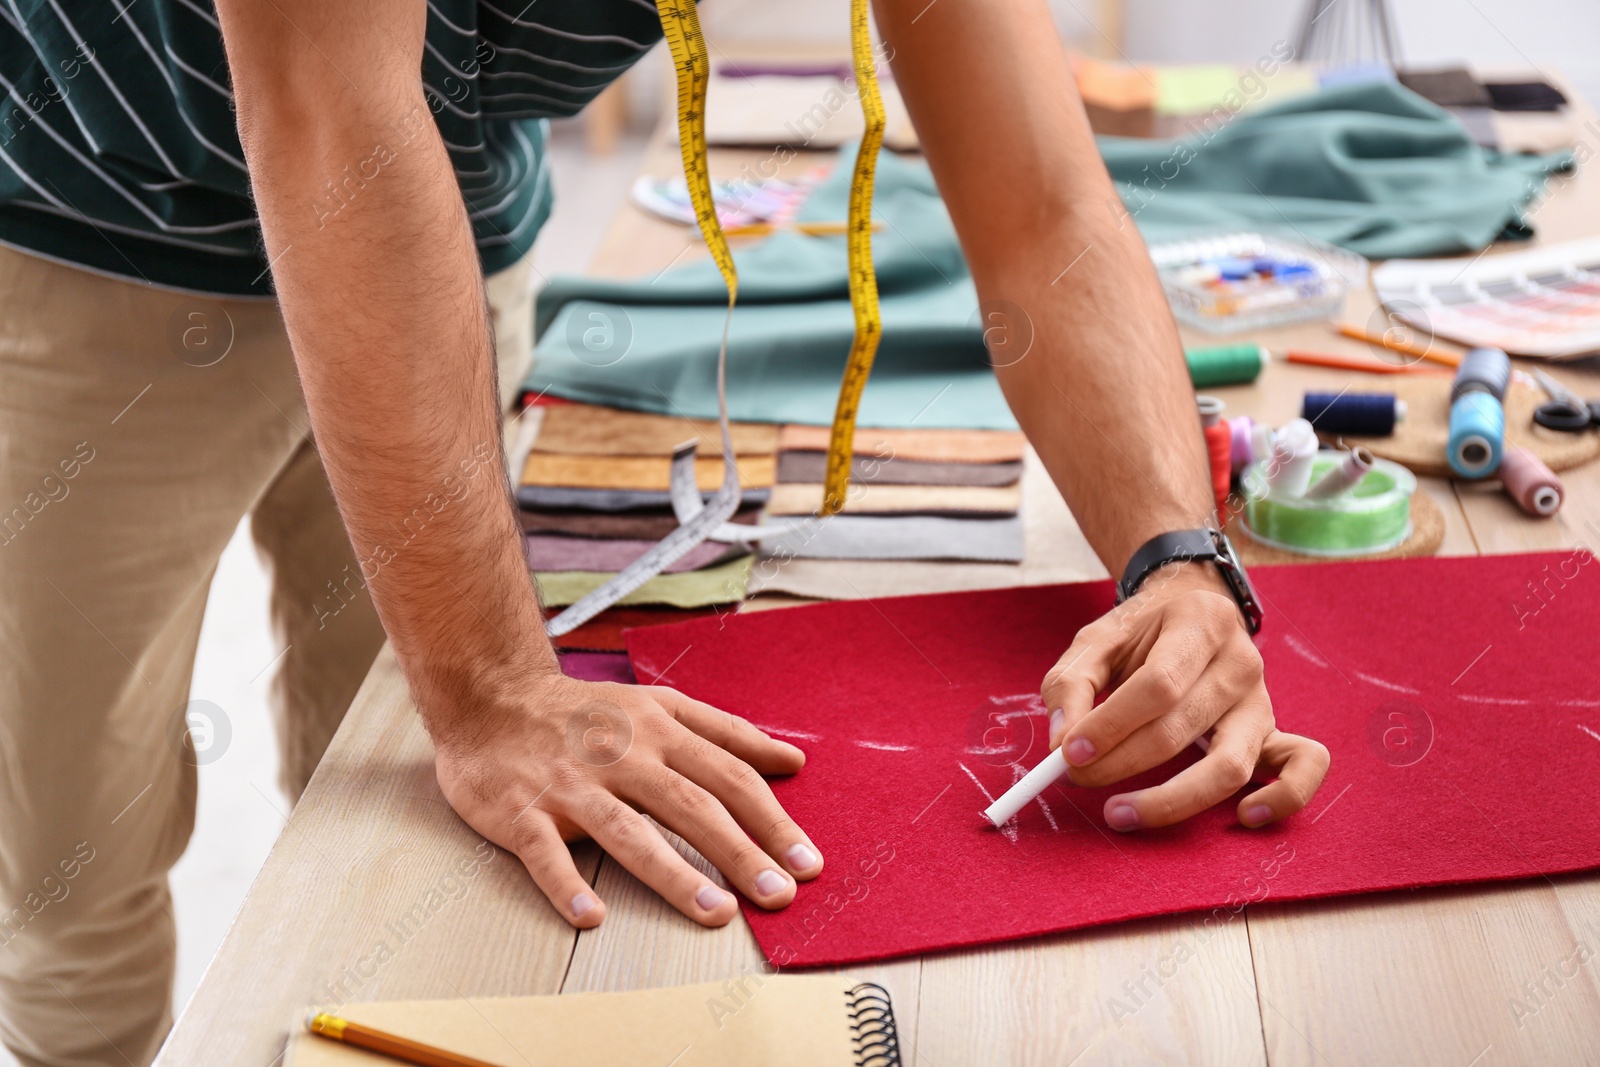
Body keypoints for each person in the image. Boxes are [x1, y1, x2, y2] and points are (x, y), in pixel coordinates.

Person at [0, 0, 1330, 1062]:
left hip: (433, 211)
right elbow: (321, 109)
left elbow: (1038, 201)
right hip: (86, 232)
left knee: (383, 817)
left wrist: (1179, 554)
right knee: (71, 866)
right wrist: (498, 689)